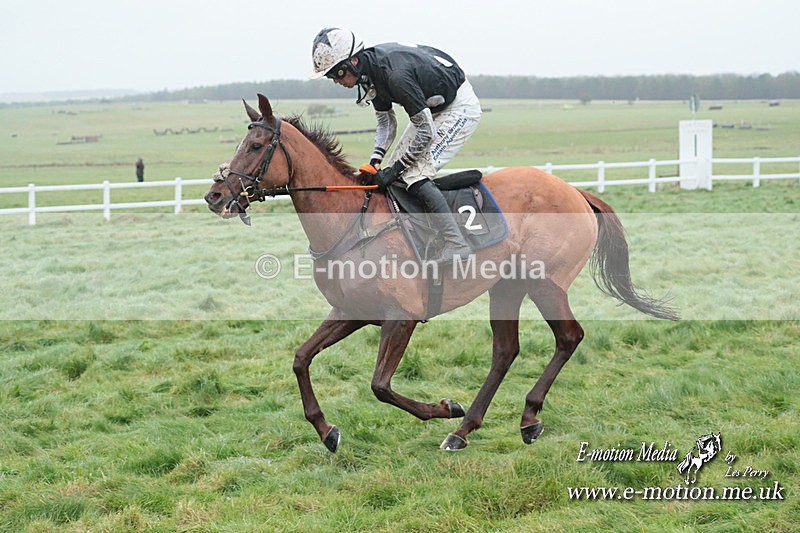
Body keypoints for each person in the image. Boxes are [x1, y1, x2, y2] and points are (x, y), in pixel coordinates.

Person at [311, 27, 481, 262]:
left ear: (354, 61)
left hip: (458, 108)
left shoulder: (394, 76)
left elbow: (426, 132)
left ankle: (456, 242)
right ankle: (421, 232)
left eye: (338, 73)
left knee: (414, 174)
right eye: (331, 76)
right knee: (397, 174)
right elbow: (386, 123)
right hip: (431, 110)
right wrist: (376, 161)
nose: (337, 81)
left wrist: (394, 169)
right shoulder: (369, 73)